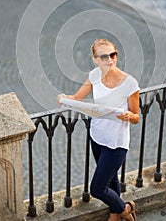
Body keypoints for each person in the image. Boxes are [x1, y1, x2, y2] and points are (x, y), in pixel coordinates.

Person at [57, 38, 139, 221]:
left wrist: (129, 116)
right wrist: (64, 99)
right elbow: (78, 97)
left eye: (113, 55)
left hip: (116, 143)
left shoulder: (130, 84)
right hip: (96, 136)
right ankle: (115, 214)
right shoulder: (94, 75)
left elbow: (136, 117)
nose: (109, 59)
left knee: (97, 188)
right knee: (112, 179)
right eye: (104, 56)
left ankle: (125, 209)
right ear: (95, 59)